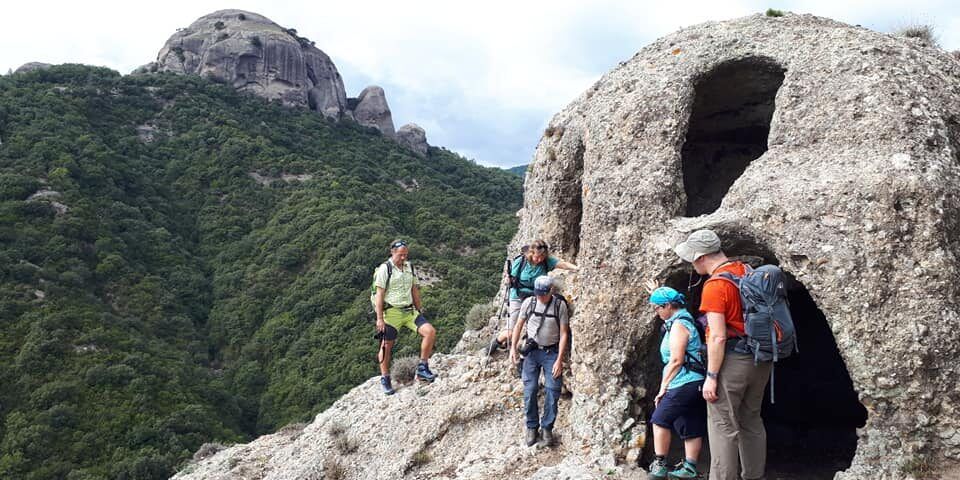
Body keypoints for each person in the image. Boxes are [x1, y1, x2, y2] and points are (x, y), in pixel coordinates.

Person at [674, 229, 773, 480]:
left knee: (722, 425)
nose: (691, 264)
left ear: (701, 256)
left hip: (732, 361)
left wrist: (711, 376)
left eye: (692, 258)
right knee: (751, 419)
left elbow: (717, 336)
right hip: (761, 358)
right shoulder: (746, 271)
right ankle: (753, 476)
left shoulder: (715, 285)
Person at [647, 287, 706, 480]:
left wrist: (663, 387)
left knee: (659, 419)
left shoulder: (679, 324)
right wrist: (656, 290)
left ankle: (660, 465)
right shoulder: (683, 319)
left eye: (657, 308)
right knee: (689, 422)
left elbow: (676, 360)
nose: (656, 312)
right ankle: (689, 468)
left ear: (668, 306)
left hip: (683, 381)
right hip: (695, 381)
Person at [487, 239, 578, 356]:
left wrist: (577, 268)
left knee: (535, 327)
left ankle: (525, 354)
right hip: (518, 296)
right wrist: (508, 281)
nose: (539, 259)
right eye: (537, 257)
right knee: (511, 332)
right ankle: (496, 343)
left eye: (542, 257)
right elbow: (511, 279)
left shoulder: (546, 261)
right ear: (531, 253)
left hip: (535, 297)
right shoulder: (521, 262)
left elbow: (563, 264)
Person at [509, 275, 570, 447]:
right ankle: (532, 427)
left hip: (551, 352)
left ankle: (547, 428)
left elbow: (564, 333)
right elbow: (519, 325)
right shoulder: (529, 303)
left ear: (551, 291)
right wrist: (513, 348)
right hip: (532, 352)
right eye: (538, 293)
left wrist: (559, 360)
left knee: (553, 390)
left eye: (543, 294)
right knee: (530, 390)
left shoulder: (559, 306)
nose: (540, 297)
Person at [373, 240, 438, 395]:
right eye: (401, 255)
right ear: (392, 252)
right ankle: (385, 378)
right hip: (392, 313)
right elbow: (379, 295)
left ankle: (422, 368)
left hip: (409, 311)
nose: (403, 258)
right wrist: (379, 318)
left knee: (430, 332)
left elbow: (414, 289)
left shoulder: (409, 267)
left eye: (405, 255)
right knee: (386, 345)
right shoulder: (385, 269)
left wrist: (419, 308)